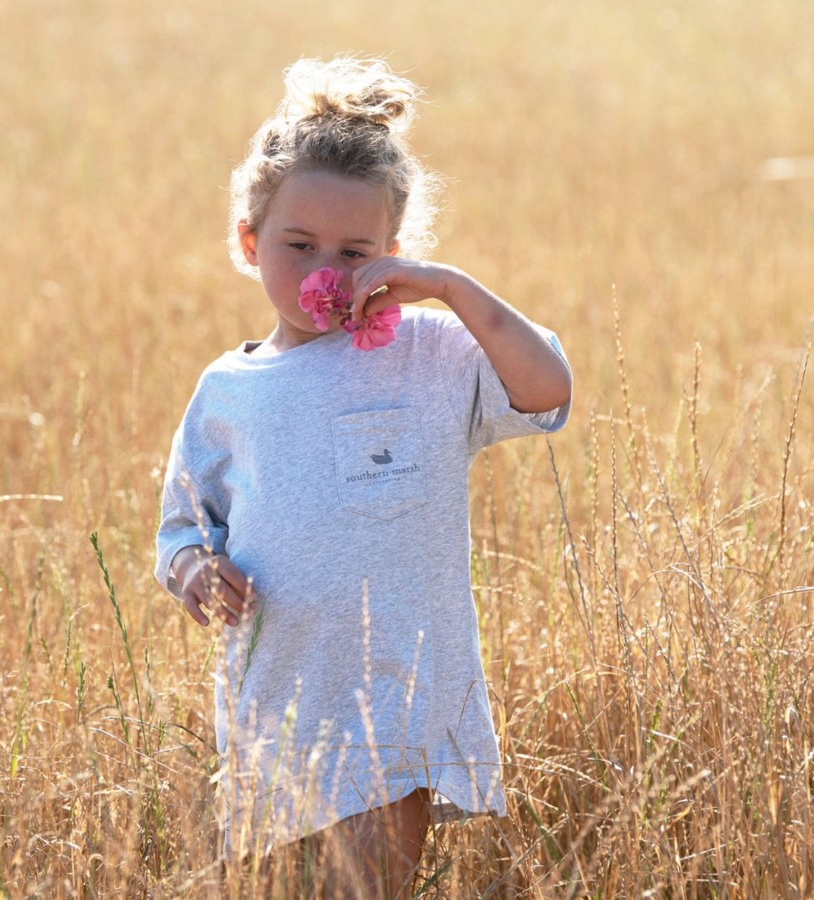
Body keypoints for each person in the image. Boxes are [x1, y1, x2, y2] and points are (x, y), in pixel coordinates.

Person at [155, 56, 572, 897]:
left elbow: (547, 388)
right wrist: (198, 571)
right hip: (276, 697)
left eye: (357, 252)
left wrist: (450, 291)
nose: (326, 272)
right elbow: (180, 529)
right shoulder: (228, 391)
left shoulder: (433, 354)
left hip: (398, 694)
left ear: (394, 254)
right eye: (299, 245)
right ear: (248, 241)